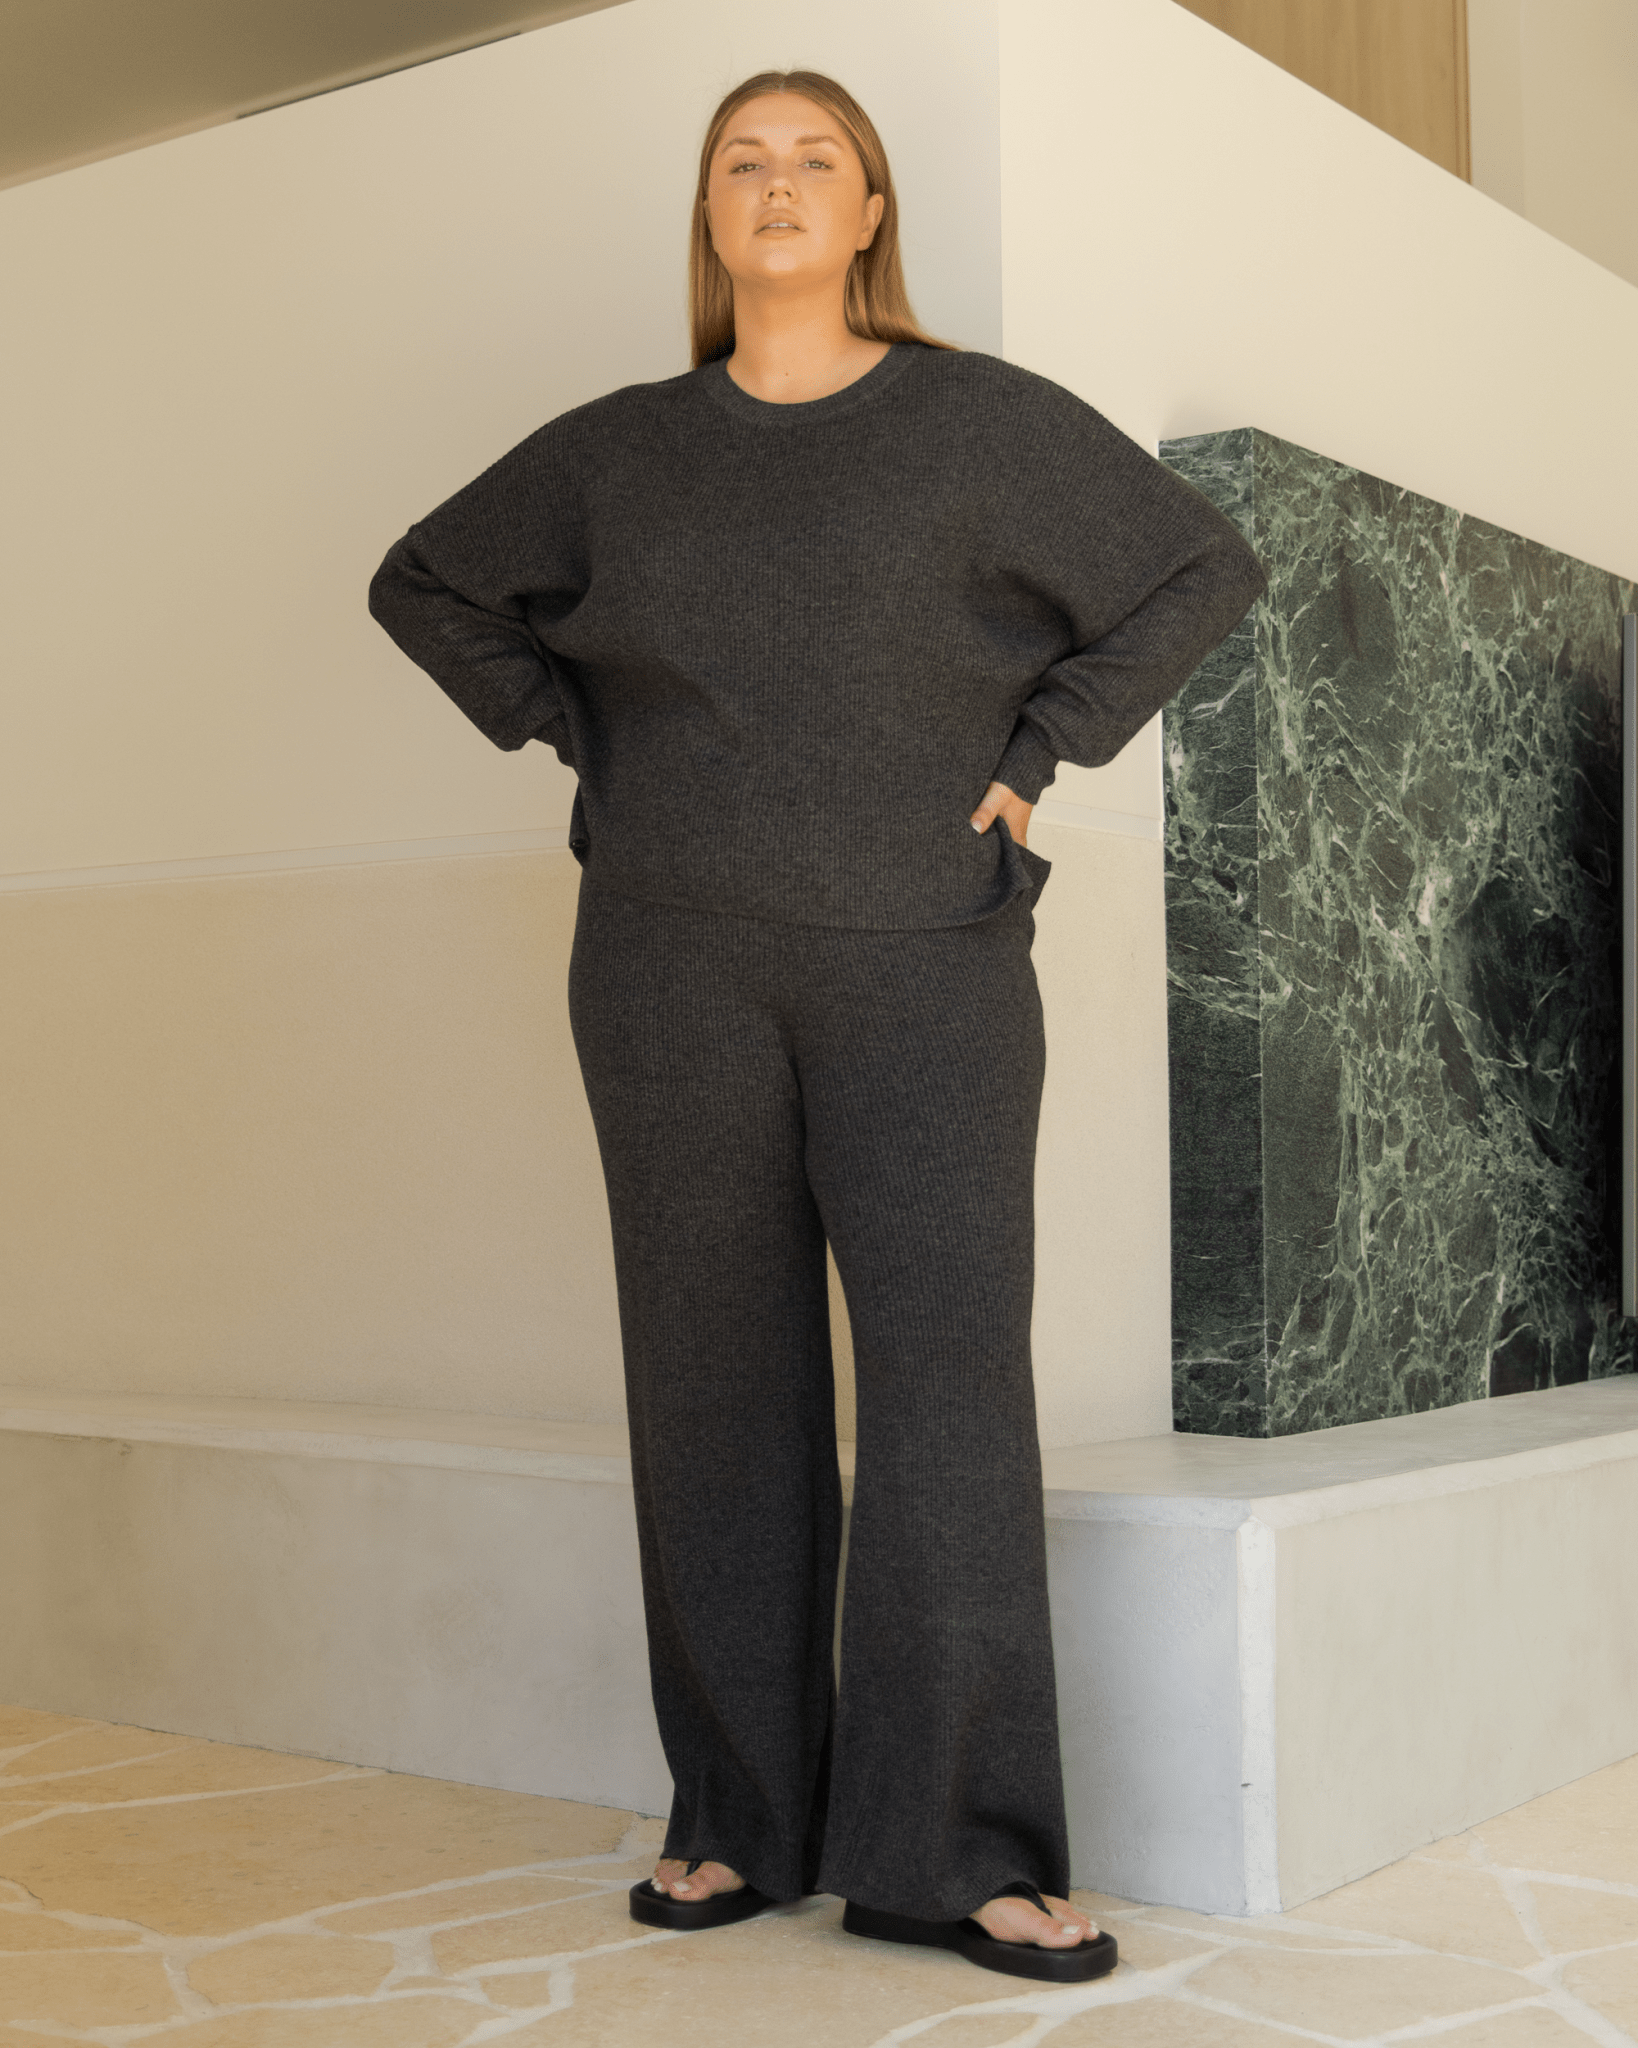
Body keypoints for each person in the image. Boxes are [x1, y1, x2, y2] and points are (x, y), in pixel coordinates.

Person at [368, 67, 1266, 1983]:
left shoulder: (981, 424)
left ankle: (956, 1851)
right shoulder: (617, 454)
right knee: (711, 1380)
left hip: (927, 957)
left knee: (947, 1390)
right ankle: (738, 1818)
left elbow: (1202, 565)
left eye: (817, 161)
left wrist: (1042, 747)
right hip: (666, 963)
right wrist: (577, 734)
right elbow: (422, 581)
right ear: (709, 215)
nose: (777, 186)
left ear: (869, 213)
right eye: (741, 162)